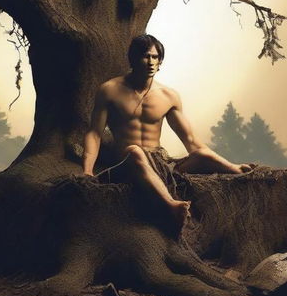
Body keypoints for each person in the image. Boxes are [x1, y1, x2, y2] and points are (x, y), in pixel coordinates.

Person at [82, 34, 255, 227]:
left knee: (203, 153)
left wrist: (220, 162)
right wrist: (88, 170)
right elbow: (94, 133)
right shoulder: (110, 90)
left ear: (160, 61)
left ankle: (236, 169)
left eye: (155, 57)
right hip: (126, 162)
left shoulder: (168, 96)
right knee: (135, 151)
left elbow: (191, 140)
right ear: (133, 58)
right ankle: (171, 206)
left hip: (161, 163)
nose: (150, 62)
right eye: (145, 56)